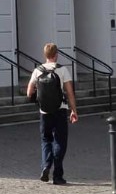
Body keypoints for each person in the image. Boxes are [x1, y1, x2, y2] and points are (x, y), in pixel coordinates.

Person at [25, 41, 78, 185]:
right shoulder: (62, 70)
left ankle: (46, 165)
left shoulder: (37, 70)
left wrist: (39, 100)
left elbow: (29, 92)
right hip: (60, 109)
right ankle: (58, 176)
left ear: (45, 55)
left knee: (46, 140)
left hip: (44, 112)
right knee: (60, 141)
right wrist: (74, 110)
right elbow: (70, 92)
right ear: (56, 55)